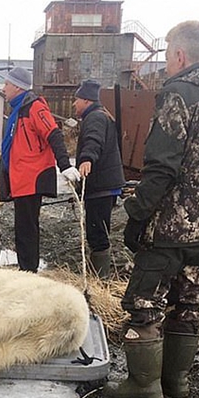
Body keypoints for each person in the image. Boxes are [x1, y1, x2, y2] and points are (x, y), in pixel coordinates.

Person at [102, 21, 199, 398]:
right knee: (189, 301)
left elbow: (161, 166)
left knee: (144, 303)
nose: (165, 63)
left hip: (169, 227)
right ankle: (176, 381)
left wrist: (137, 214)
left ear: (180, 55)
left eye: (167, 55)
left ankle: (144, 386)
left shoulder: (177, 93)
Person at [0, 66, 81, 273]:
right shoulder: (18, 109)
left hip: (31, 177)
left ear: (17, 87)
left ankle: (28, 272)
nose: (3, 88)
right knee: (23, 228)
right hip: (20, 178)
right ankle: (27, 270)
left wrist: (65, 165)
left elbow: (54, 134)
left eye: (6, 84)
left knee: (26, 229)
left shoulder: (35, 107)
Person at [72, 79, 125, 278]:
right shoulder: (102, 115)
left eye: (76, 100)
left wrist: (86, 159)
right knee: (99, 230)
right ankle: (98, 275)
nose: (74, 104)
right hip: (105, 184)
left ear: (86, 100)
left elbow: (94, 140)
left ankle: (100, 280)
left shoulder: (94, 118)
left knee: (97, 233)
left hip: (100, 185)